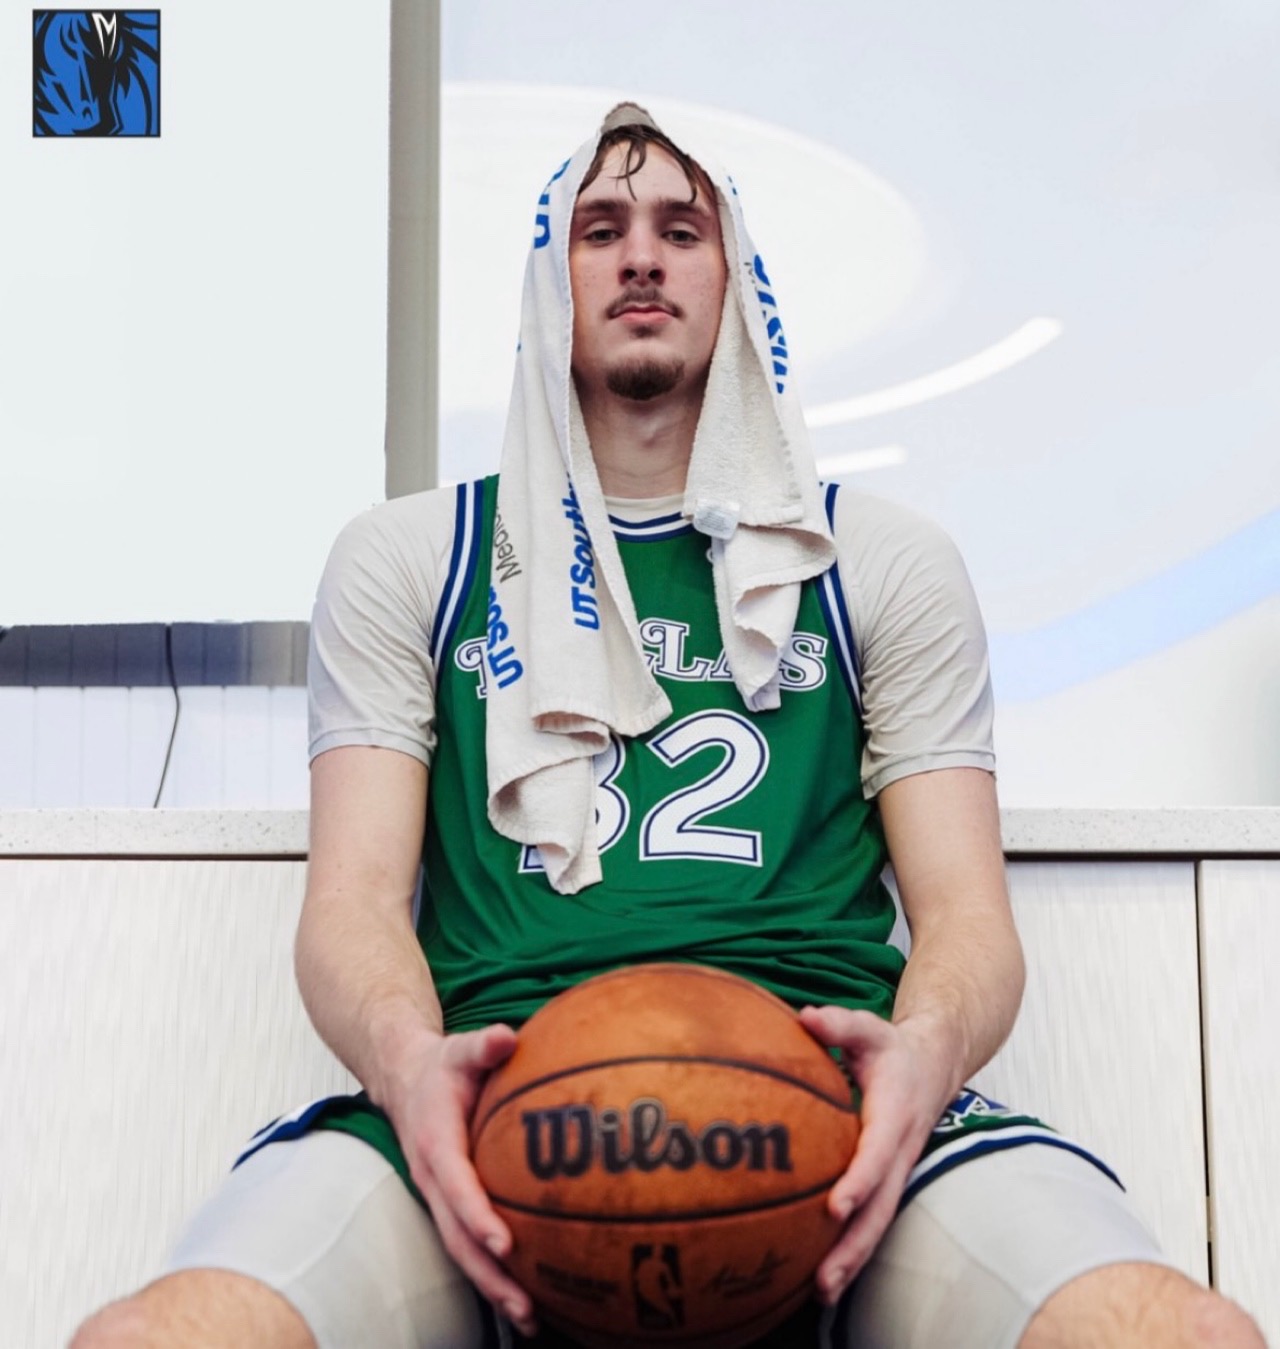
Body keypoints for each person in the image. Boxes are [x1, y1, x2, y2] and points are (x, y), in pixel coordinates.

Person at [74, 103, 1263, 1349]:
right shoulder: (414, 556)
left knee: (1175, 1337)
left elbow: (967, 917)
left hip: (835, 1109)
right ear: (549, 282)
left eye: (680, 230)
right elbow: (352, 905)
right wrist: (409, 1066)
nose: (640, 257)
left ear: (734, 279)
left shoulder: (877, 558)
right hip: (491, 1111)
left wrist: (924, 1052)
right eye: (600, 229)